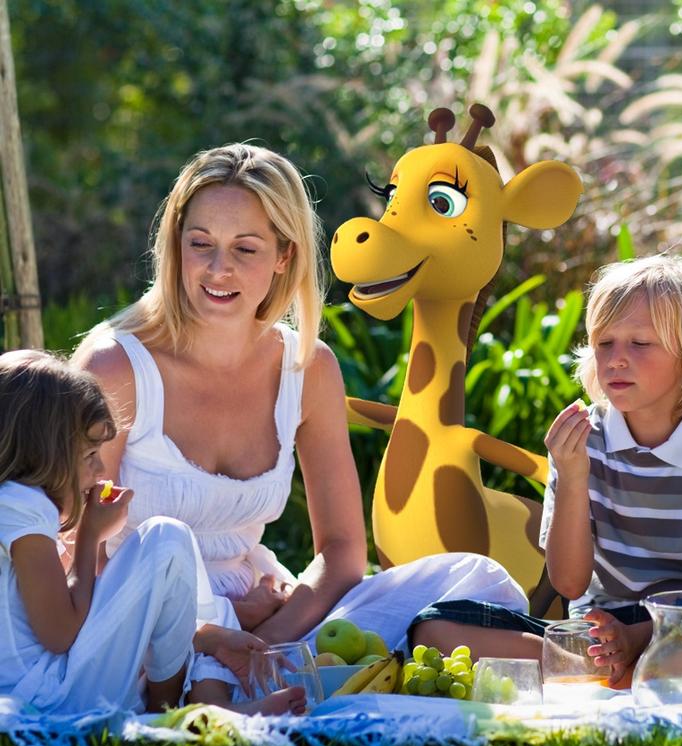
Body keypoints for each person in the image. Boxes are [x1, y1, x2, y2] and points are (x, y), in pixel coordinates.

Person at [71, 143, 529, 706]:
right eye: (201, 245)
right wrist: (213, 627)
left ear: (285, 256)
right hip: (134, 621)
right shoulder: (115, 367)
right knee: (188, 667)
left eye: (246, 248)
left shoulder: (307, 368)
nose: (220, 269)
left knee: (474, 577)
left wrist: (265, 640)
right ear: (175, 246)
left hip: (269, 618)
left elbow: (340, 552)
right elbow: (77, 548)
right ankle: (232, 697)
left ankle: (256, 685)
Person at [411, 255, 682, 685]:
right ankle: (622, 674)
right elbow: (569, 584)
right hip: (597, 632)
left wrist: (640, 638)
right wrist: (572, 476)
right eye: (604, 343)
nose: (616, 359)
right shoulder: (583, 440)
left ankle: (615, 671)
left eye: (639, 344)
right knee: (435, 626)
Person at [0, 349, 200, 713]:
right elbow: (60, 633)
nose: (99, 470)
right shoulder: (23, 506)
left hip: (37, 688)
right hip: (46, 698)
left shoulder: (13, 506)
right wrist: (90, 537)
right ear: (47, 453)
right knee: (168, 541)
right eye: (89, 455)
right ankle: (165, 713)